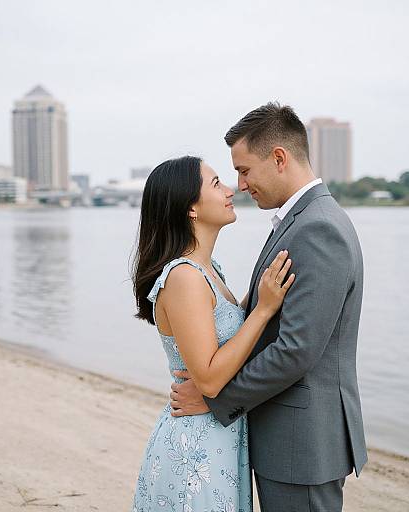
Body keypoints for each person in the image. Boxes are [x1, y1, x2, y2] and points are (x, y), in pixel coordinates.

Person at [170, 102, 368, 512]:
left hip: (303, 444)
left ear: (279, 158)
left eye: (244, 170)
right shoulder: (301, 219)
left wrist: (212, 400)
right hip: (288, 438)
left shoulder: (317, 228)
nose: (240, 185)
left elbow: (295, 350)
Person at [131, 155, 295, 511]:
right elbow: (208, 378)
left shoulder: (209, 270)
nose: (231, 189)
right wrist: (264, 309)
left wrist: (257, 296)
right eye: (217, 183)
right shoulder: (185, 278)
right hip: (195, 449)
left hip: (216, 437)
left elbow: (227, 332)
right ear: (191, 207)